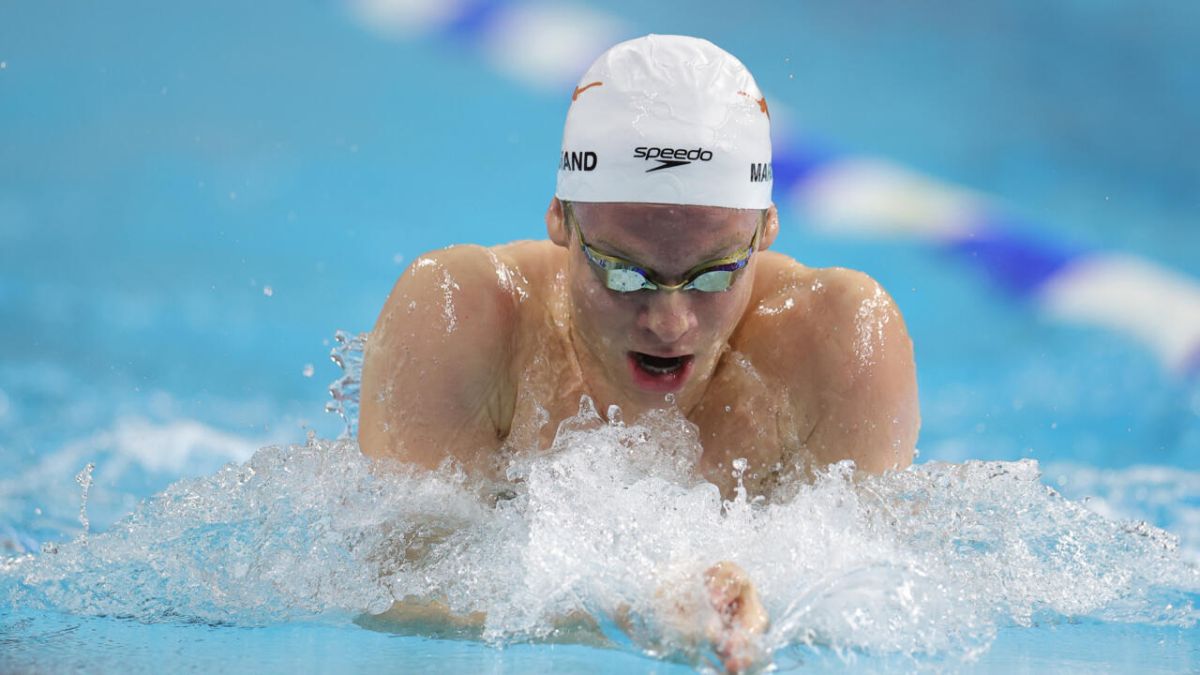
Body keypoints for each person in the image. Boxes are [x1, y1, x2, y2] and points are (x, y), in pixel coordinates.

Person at [358, 34, 919, 671]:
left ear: (766, 229)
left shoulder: (839, 337)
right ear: (561, 220)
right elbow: (397, 592)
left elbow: (871, 593)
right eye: (625, 274)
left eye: (714, 274)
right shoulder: (464, 315)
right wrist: (627, 615)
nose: (670, 323)